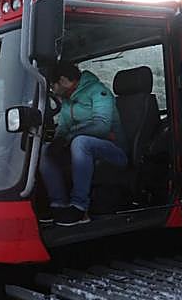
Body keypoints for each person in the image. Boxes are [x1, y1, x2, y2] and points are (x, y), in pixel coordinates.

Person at [39, 61, 128, 225]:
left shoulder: (99, 92)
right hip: (85, 148)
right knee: (45, 150)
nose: (52, 90)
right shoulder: (67, 101)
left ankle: (79, 207)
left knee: (80, 142)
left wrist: (70, 137)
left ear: (64, 80)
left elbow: (102, 126)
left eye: (53, 85)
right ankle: (58, 204)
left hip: (115, 151)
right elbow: (63, 129)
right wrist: (57, 142)